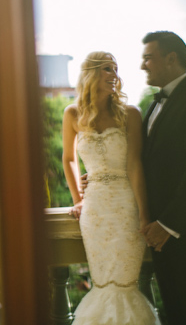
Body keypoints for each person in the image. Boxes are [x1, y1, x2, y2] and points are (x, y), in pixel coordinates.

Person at [62, 52, 159, 324]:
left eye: (115, 69)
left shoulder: (130, 114)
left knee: (125, 282)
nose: (114, 75)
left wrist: (143, 214)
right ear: (91, 74)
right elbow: (68, 158)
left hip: (126, 205)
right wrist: (78, 199)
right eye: (107, 69)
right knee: (102, 282)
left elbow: (135, 165)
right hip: (94, 211)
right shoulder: (72, 113)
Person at [139, 31, 186, 324]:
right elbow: (147, 163)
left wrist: (168, 225)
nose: (143, 65)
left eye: (148, 57)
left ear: (171, 59)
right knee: (175, 313)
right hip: (160, 237)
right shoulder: (154, 103)